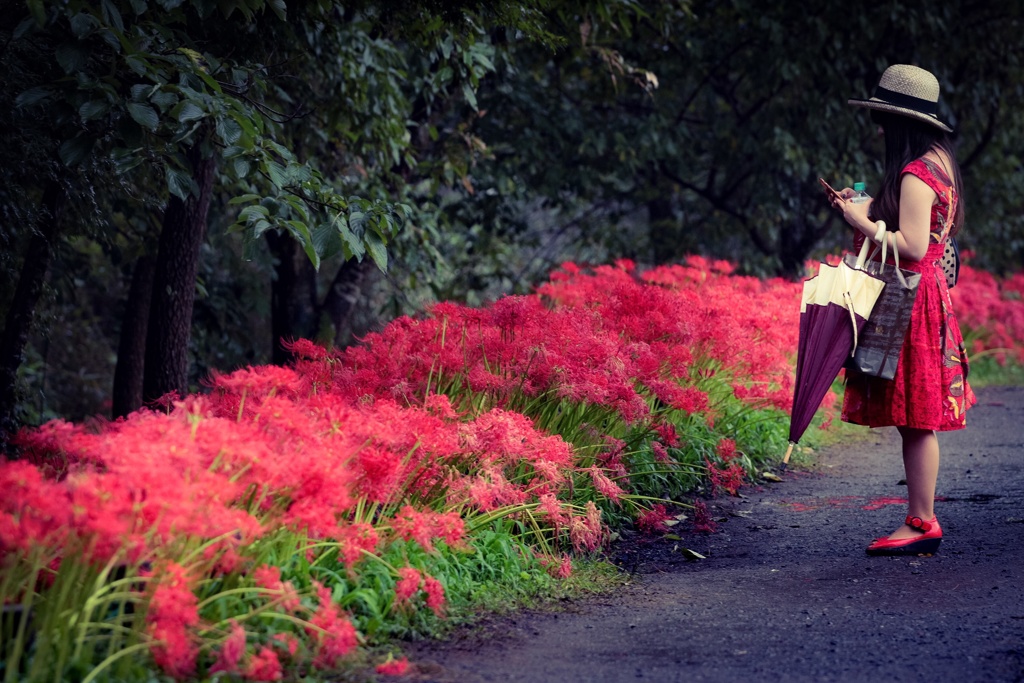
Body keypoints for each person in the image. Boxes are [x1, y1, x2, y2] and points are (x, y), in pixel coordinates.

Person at [830, 64, 976, 556]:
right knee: (917, 416)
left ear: (900, 123)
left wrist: (858, 220)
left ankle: (922, 522)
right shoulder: (940, 162)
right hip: (930, 292)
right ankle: (921, 518)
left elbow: (912, 246)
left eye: (883, 119)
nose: (878, 129)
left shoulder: (916, 173)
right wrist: (872, 208)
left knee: (917, 416)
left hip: (914, 297)